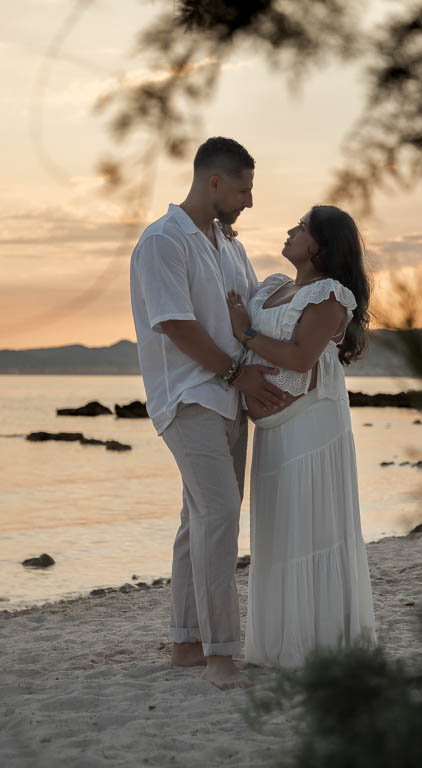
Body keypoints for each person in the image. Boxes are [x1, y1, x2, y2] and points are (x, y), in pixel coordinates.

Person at [130, 137, 290, 690]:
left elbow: (249, 312)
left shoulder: (228, 245)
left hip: (227, 396)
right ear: (214, 182)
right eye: (244, 188)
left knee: (196, 521)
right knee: (220, 514)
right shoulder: (162, 241)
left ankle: (186, 643)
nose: (249, 200)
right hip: (189, 395)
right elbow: (175, 323)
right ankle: (222, 656)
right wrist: (233, 373)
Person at [226, 205, 376, 668]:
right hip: (275, 428)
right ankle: (279, 640)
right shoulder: (274, 286)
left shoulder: (330, 295)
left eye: (302, 227)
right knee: (280, 523)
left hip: (312, 423)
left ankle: (318, 641)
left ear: (320, 246)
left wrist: (245, 334)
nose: (290, 231)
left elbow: (300, 358)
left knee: (310, 523)